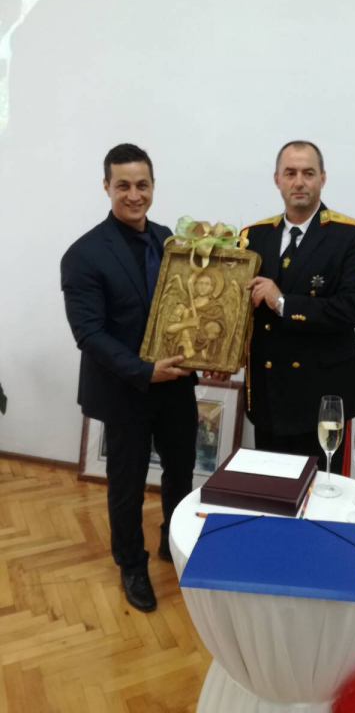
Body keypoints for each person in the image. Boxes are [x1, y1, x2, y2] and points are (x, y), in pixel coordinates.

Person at [61, 143, 197, 613]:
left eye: (142, 185)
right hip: (125, 391)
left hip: (175, 386)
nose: (134, 195)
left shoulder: (170, 241)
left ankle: (172, 542)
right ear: (107, 187)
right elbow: (89, 334)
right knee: (127, 485)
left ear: (153, 186)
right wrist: (144, 371)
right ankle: (132, 565)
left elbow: (188, 309)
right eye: (123, 185)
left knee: (181, 472)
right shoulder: (83, 254)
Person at [243, 141, 355, 475]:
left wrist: (283, 303)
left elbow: (352, 309)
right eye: (290, 173)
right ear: (277, 179)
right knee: (274, 489)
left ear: (322, 178)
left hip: (322, 397)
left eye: (308, 173)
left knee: (325, 492)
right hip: (269, 392)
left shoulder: (350, 236)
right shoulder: (252, 237)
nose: (299, 181)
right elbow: (239, 311)